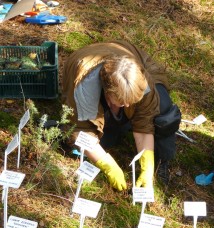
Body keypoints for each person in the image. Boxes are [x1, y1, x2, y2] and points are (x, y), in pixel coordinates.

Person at [62, 40, 181, 190]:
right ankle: (116, 125)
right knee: (98, 144)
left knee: (164, 113)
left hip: (133, 67)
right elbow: (81, 130)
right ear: (107, 92)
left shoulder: (142, 82)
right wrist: (107, 165)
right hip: (88, 77)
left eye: (131, 102)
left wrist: (147, 165)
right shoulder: (85, 86)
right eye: (123, 102)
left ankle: (161, 161)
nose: (128, 106)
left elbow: (144, 120)